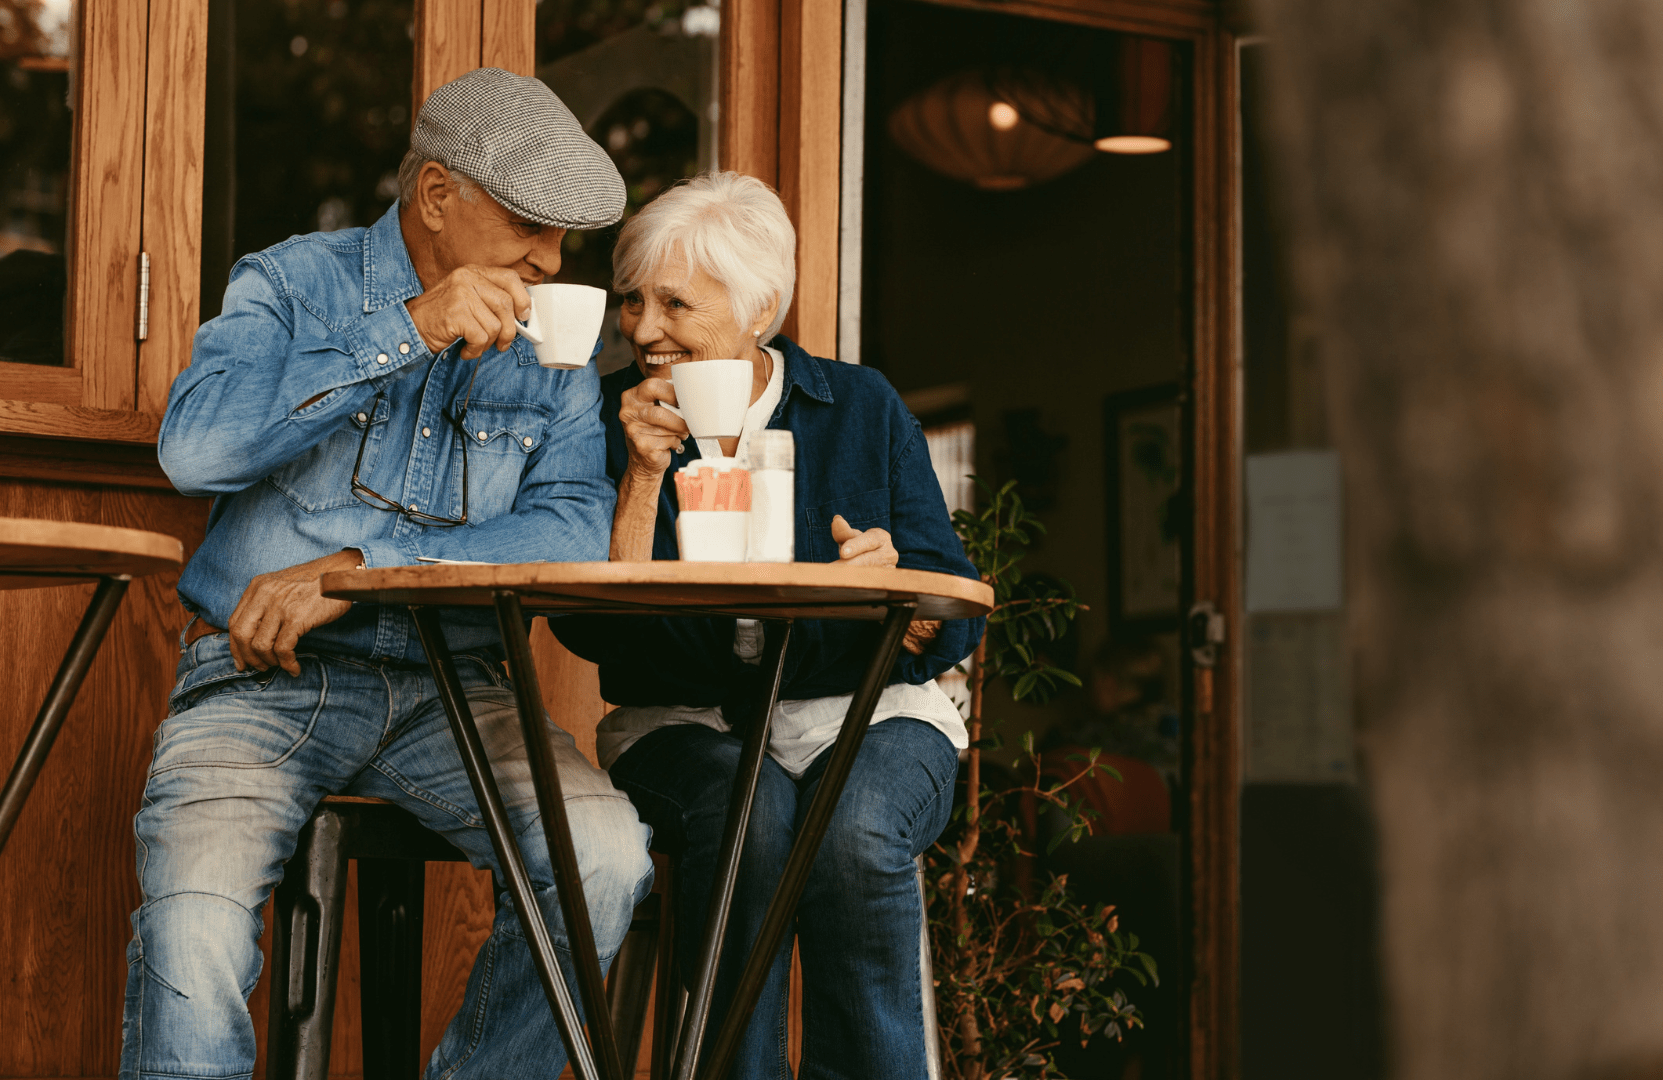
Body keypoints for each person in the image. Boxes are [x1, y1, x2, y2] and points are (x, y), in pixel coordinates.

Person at [122, 69, 653, 1080]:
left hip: (460, 694)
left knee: (606, 861)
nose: (551, 259)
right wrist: (408, 327)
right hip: (257, 687)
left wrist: (366, 568)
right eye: (531, 224)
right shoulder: (290, 283)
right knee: (192, 936)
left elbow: (578, 522)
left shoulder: (556, 349)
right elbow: (192, 453)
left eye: (564, 237)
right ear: (438, 197)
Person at [552, 171, 985, 1079]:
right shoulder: (604, 418)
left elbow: (951, 595)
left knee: (856, 834)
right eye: (631, 301)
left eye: (674, 301)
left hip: (867, 716)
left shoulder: (858, 407)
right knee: (748, 826)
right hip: (685, 727)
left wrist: (894, 589)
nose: (640, 328)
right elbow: (594, 632)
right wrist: (639, 478)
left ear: (756, 309)